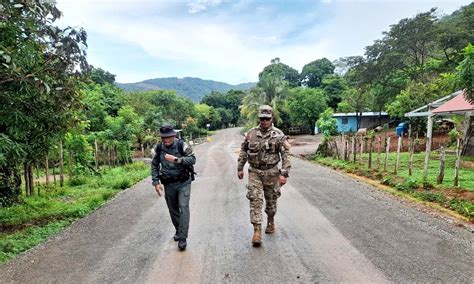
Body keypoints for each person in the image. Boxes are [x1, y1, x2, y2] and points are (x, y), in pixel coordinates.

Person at [237, 105, 291, 246]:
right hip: (255, 172)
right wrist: (240, 167)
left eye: (267, 119)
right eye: (262, 119)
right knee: (255, 200)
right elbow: (243, 151)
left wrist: (284, 173)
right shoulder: (251, 134)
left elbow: (286, 155)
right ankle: (257, 231)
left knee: (271, 203)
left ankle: (271, 221)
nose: (264, 121)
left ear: (271, 118)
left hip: (272, 173)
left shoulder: (279, 135)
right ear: (259, 118)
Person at [151, 123, 196, 251]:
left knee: (183, 206)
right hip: (168, 183)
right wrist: (156, 182)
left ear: (173, 135)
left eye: (168, 137)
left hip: (183, 182)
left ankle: (183, 237)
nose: (166, 140)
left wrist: (177, 159)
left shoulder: (182, 145)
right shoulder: (159, 148)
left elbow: (192, 159)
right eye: (163, 138)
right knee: (173, 209)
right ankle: (178, 229)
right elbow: (154, 165)